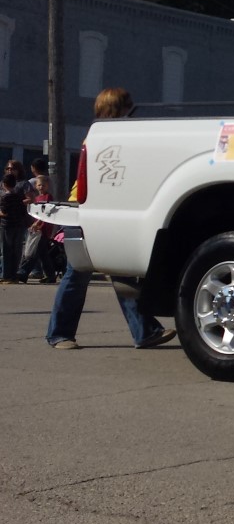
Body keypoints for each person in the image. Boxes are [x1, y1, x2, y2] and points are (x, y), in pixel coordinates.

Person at [46, 87, 177, 350]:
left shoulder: (111, 135)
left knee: (122, 272)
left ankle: (145, 332)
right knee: (77, 274)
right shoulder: (102, 138)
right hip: (86, 209)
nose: (132, 110)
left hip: (101, 209)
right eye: (128, 105)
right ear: (117, 108)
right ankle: (59, 334)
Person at [19, 175, 57, 284]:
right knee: (43, 254)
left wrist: (37, 223)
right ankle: (50, 275)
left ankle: (23, 273)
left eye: (43, 185)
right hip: (36, 229)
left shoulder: (48, 197)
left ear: (47, 186)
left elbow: (46, 213)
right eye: (39, 185)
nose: (41, 187)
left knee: (33, 252)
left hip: (43, 229)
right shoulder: (37, 198)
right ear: (36, 186)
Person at [0, 173, 29, 283]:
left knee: (6, 251)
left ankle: (6, 275)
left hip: (7, 226)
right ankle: (14, 275)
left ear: (4, 184)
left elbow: (4, 213)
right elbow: (23, 211)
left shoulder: (4, 197)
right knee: (16, 251)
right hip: (19, 225)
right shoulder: (19, 197)